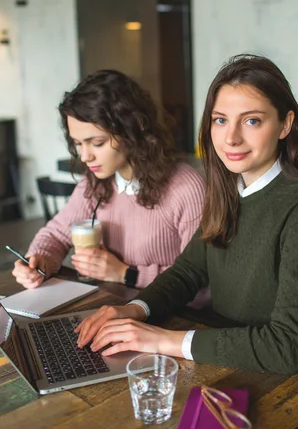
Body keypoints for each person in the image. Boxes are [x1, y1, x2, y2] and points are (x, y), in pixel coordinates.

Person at [75, 54, 298, 375]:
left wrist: (164, 341)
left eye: (252, 120)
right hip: (234, 357)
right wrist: (135, 310)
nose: (230, 137)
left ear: (285, 125)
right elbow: (186, 273)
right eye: (220, 120)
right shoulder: (229, 188)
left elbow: (288, 345)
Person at [12, 70, 206, 303]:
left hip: (169, 322)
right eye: (78, 144)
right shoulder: (95, 183)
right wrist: (38, 260)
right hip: (111, 308)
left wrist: (126, 273)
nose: (85, 156)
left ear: (134, 128)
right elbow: (55, 233)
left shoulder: (186, 188)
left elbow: (202, 286)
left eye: (97, 143)